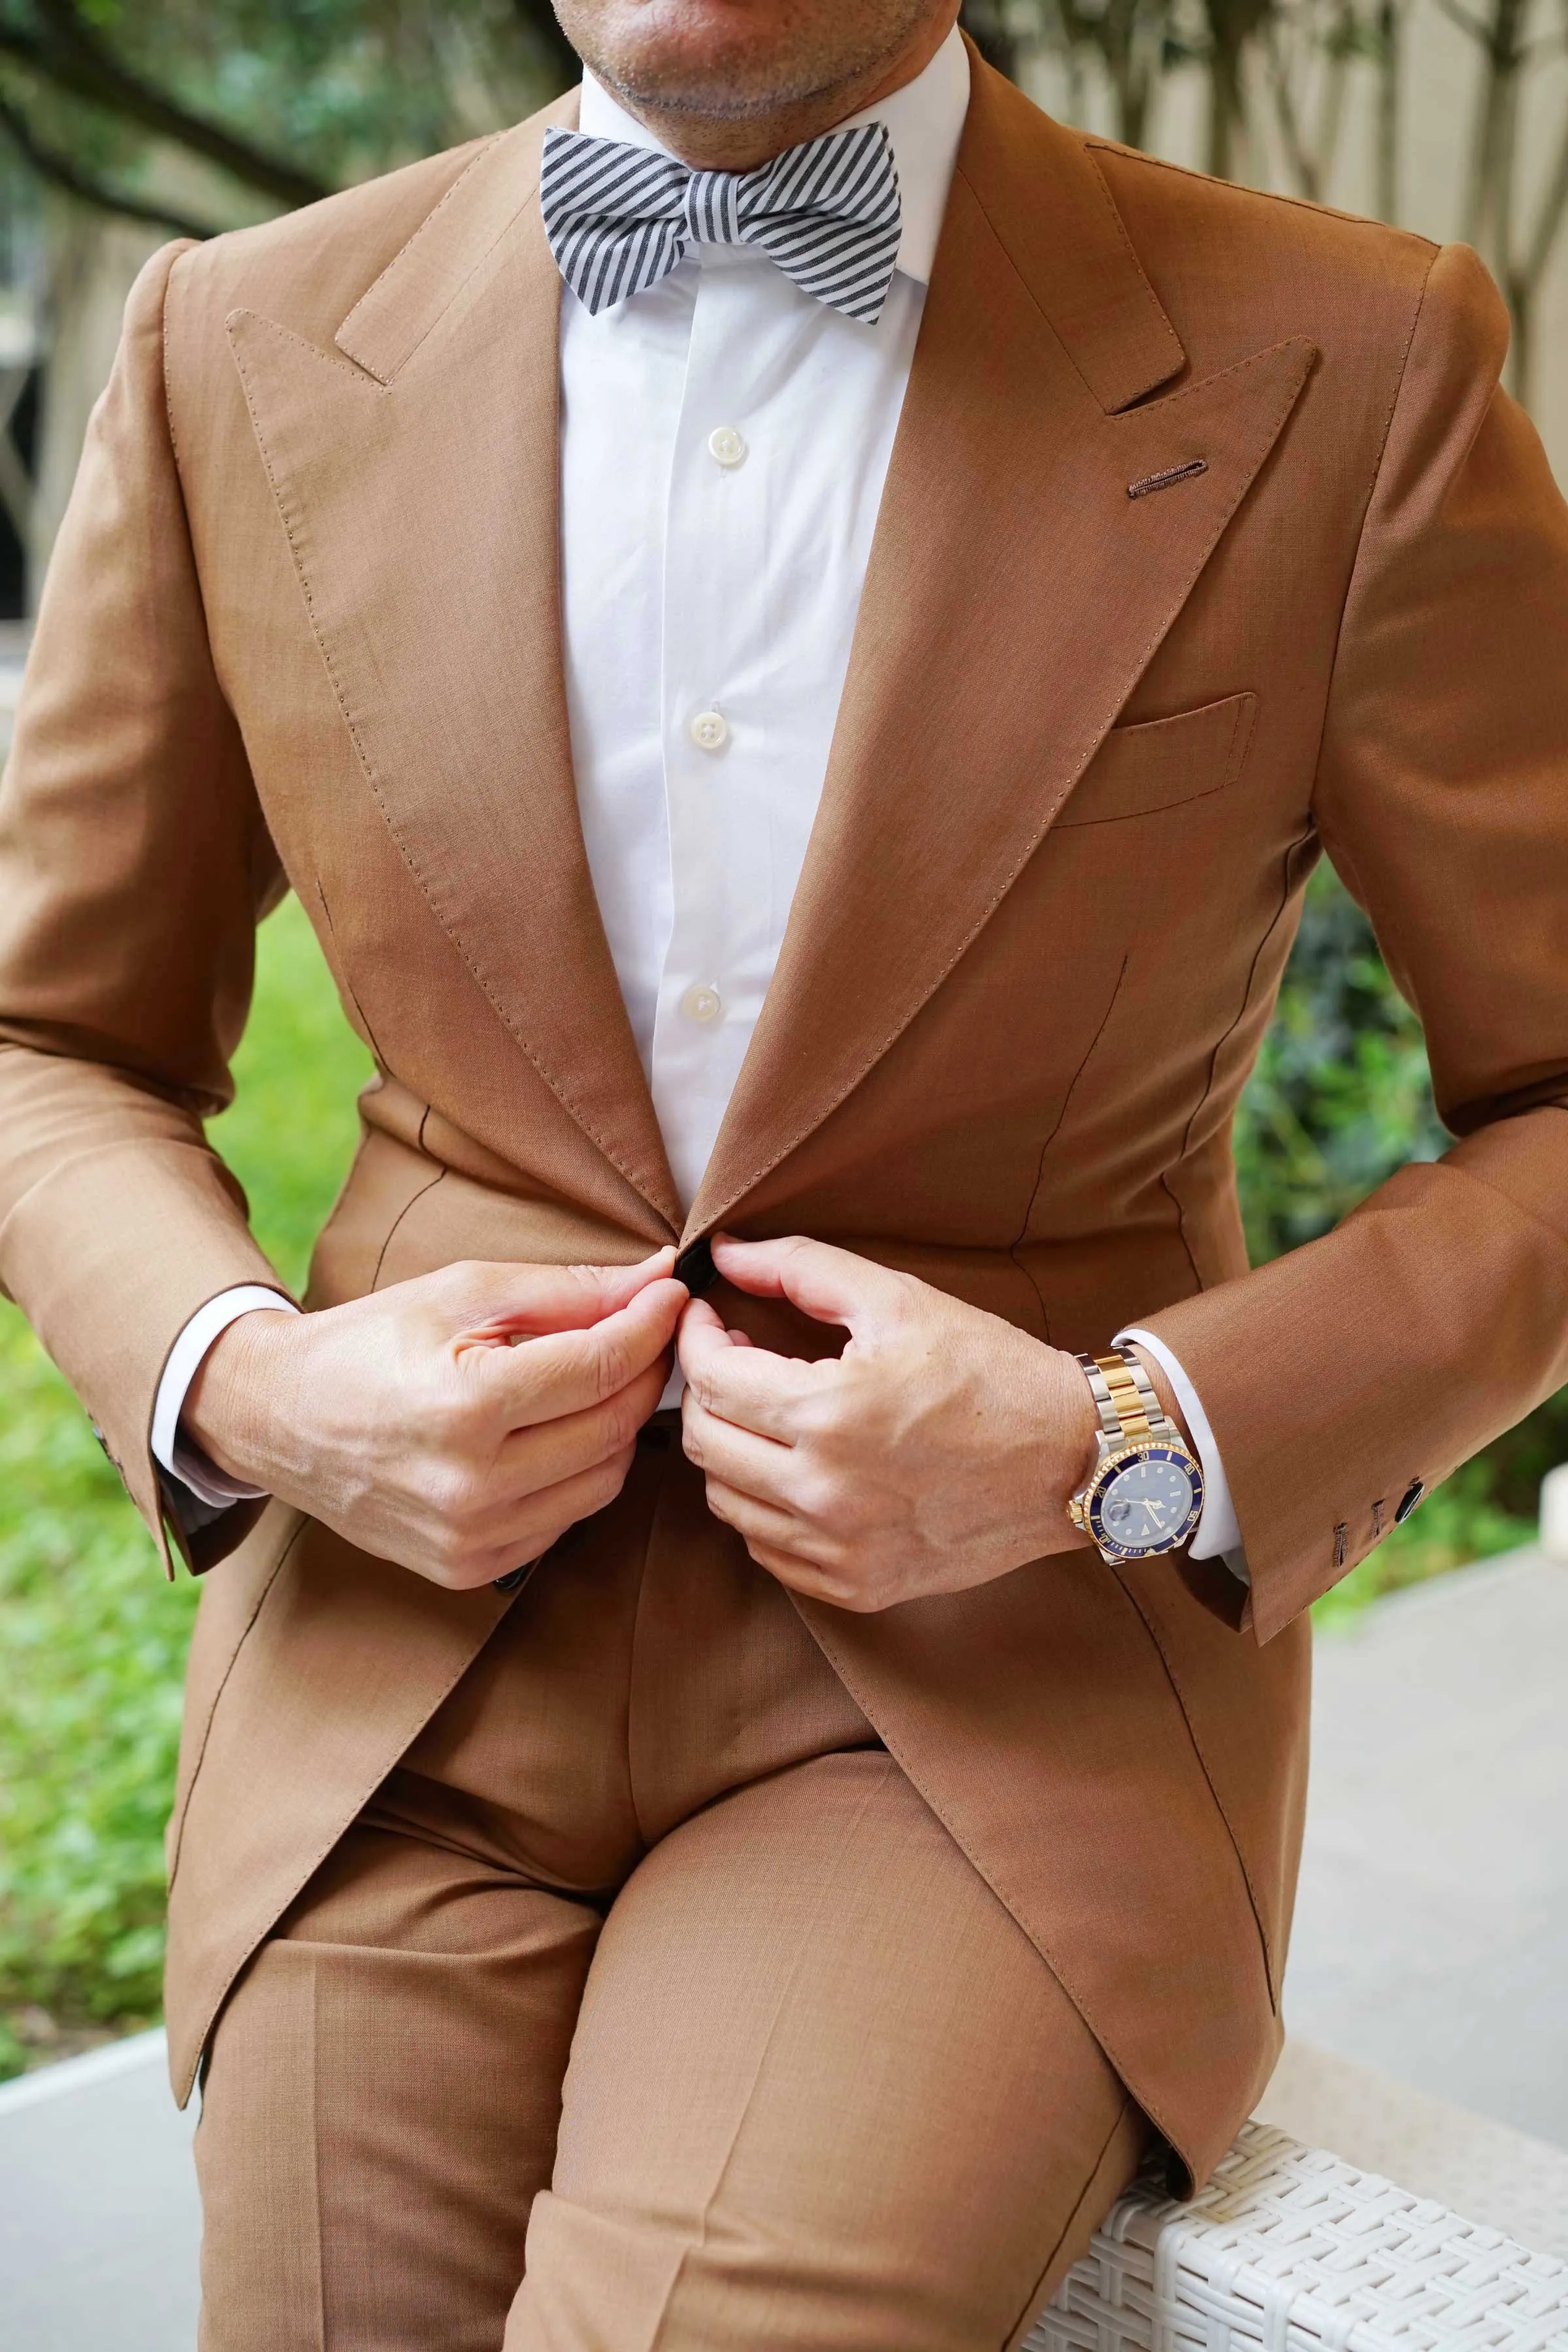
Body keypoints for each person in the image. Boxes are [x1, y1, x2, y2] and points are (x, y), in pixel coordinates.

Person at [3, 0, 1567, 2341]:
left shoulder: (1351, 361)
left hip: (987, 1695)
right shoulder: (228, 337)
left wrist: (1110, 1443)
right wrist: (261, 1392)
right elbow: (48, 1037)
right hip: (396, 1669)